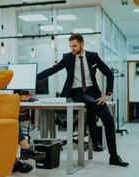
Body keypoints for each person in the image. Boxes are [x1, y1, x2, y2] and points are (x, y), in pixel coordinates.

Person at [36, 33, 129, 167]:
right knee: (90, 102)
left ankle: (114, 157)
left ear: (82, 44)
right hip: (76, 91)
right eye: (70, 46)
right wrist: (34, 78)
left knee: (109, 120)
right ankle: (95, 141)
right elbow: (52, 70)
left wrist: (108, 94)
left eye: (74, 46)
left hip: (92, 91)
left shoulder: (93, 56)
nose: (72, 48)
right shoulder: (67, 58)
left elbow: (109, 73)